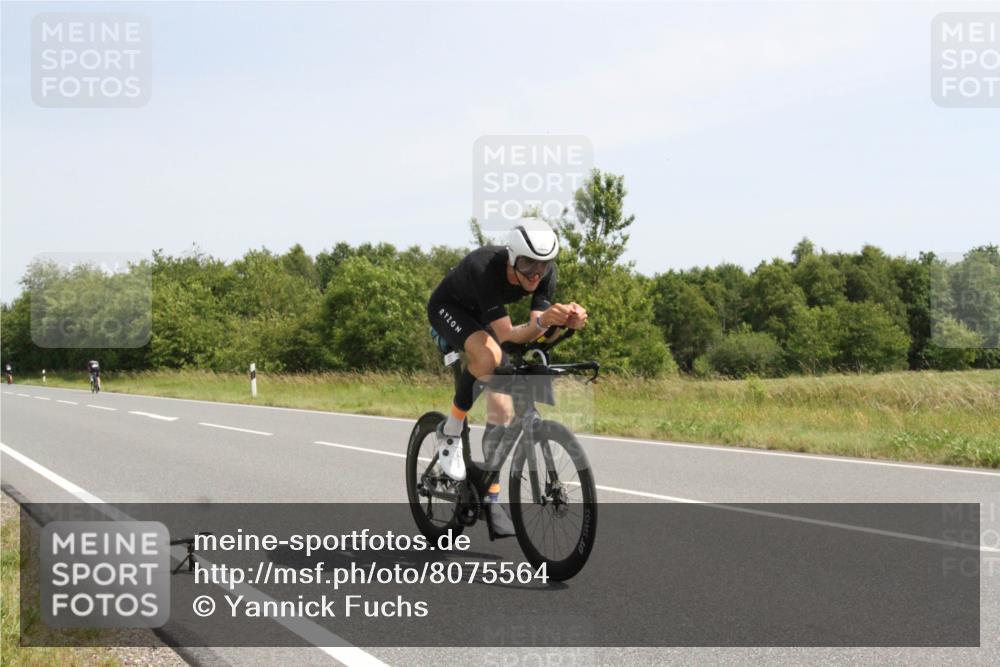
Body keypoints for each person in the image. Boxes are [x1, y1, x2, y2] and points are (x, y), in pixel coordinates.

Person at [426, 219, 588, 534]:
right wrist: (544, 323)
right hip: (451, 309)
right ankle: (451, 427)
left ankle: (490, 494)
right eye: (527, 264)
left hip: (488, 320)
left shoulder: (544, 275)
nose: (535, 273)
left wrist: (564, 323)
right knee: (490, 357)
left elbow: (535, 337)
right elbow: (510, 338)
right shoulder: (485, 267)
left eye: (543, 265)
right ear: (512, 257)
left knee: (502, 411)